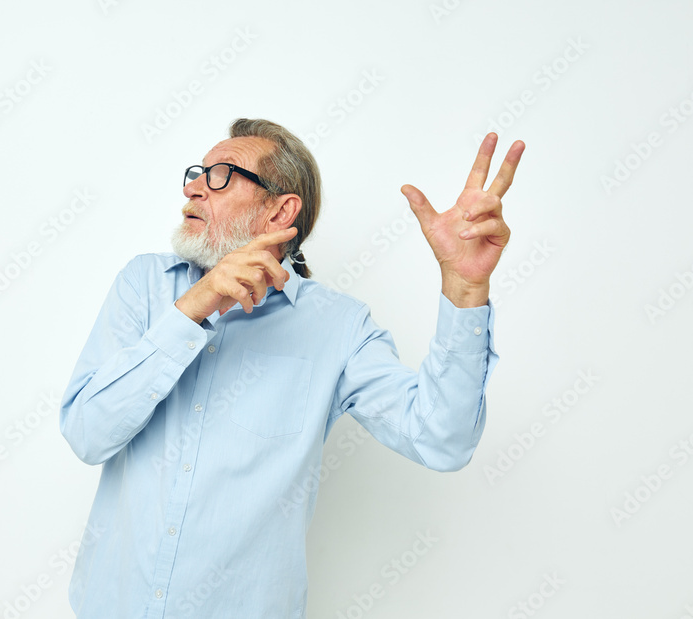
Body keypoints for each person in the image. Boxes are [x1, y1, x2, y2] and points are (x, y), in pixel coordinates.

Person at [59, 118, 524, 618]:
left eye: (220, 175)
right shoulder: (144, 285)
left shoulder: (339, 328)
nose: (193, 187)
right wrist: (194, 307)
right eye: (197, 172)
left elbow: (443, 440)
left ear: (281, 210)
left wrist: (465, 288)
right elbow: (88, 434)